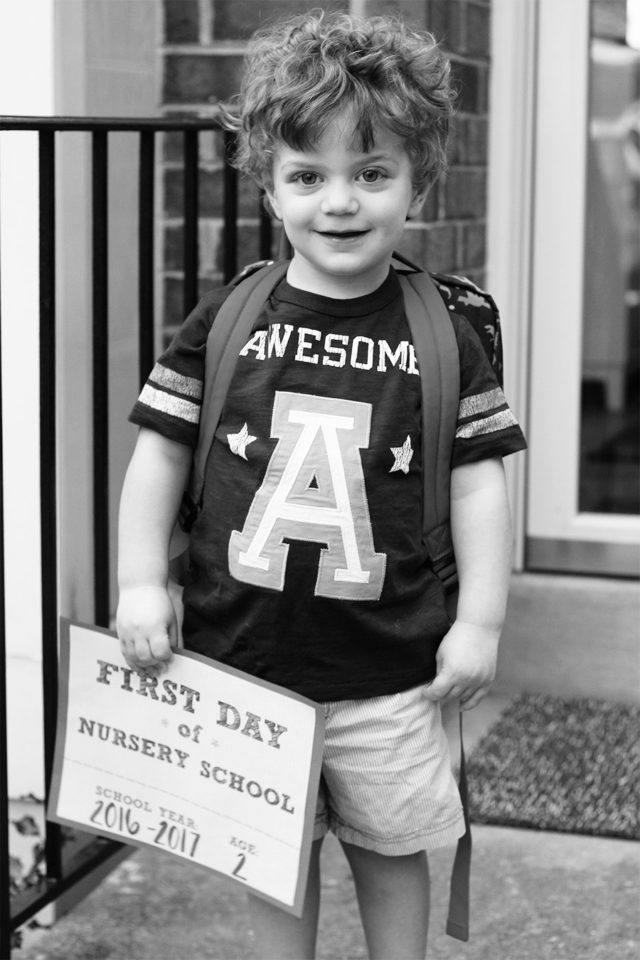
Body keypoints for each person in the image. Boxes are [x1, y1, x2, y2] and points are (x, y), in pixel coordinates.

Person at [117, 11, 526, 959]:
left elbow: (477, 485)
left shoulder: (442, 332)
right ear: (267, 184)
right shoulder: (229, 318)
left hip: (389, 671)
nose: (339, 202)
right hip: (244, 657)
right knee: (270, 857)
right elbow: (161, 453)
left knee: (391, 854)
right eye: (308, 176)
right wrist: (143, 582)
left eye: (371, 174)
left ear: (418, 182)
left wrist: (484, 621)